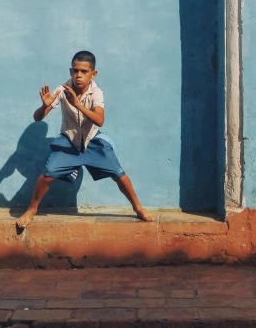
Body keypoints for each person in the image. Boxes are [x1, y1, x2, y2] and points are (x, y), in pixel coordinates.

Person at [16, 51, 154, 228]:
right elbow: (37, 118)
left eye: (84, 71)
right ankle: (32, 209)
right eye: (75, 71)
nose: (78, 75)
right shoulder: (62, 90)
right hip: (69, 142)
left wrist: (78, 105)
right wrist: (44, 106)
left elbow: (99, 120)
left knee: (119, 175)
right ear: (70, 71)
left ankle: (138, 207)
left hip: (92, 142)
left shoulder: (96, 93)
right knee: (47, 175)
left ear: (93, 74)